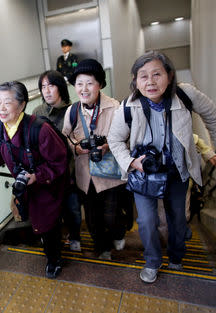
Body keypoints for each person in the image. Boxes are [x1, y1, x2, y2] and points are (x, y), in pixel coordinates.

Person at [108, 51, 216, 283]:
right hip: (145, 175)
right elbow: (114, 140)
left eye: (157, 74)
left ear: (170, 75)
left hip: (178, 171)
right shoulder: (127, 106)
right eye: (143, 76)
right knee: (146, 221)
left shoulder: (185, 94)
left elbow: (212, 115)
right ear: (135, 80)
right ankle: (152, 261)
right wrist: (132, 162)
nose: (150, 82)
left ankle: (176, 256)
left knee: (178, 219)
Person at [0, 81, 69, 279]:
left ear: (22, 105)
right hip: (26, 186)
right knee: (33, 219)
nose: (1, 109)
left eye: (7, 103)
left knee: (47, 223)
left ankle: (54, 260)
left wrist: (38, 175)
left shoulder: (40, 129)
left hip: (48, 184)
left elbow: (59, 161)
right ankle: (49, 242)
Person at [62, 59, 131, 260]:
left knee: (111, 216)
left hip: (111, 174)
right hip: (85, 175)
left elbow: (125, 135)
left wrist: (107, 145)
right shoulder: (72, 110)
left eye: (89, 83)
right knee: (92, 220)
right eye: (79, 83)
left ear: (100, 84)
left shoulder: (115, 107)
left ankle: (118, 232)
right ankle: (103, 250)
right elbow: (66, 136)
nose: (84, 89)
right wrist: (76, 147)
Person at [33, 70, 82, 252]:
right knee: (54, 212)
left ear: (60, 87)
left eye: (51, 85)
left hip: (70, 173)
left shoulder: (74, 110)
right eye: (43, 87)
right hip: (49, 175)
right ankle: (57, 242)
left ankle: (75, 237)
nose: (46, 91)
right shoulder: (37, 112)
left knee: (74, 211)